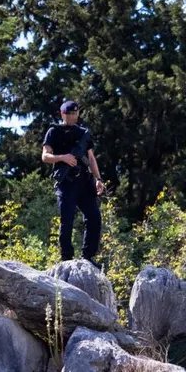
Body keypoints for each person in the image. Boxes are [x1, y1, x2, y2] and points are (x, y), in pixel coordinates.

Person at [41, 99, 105, 264]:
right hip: (66, 182)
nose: (73, 116)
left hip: (85, 181)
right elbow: (45, 156)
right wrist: (63, 157)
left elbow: (91, 158)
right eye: (70, 114)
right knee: (67, 220)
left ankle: (88, 257)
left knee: (94, 218)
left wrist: (98, 179)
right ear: (63, 114)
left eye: (76, 113)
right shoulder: (54, 131)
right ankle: (66, 258)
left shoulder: (83, 133)